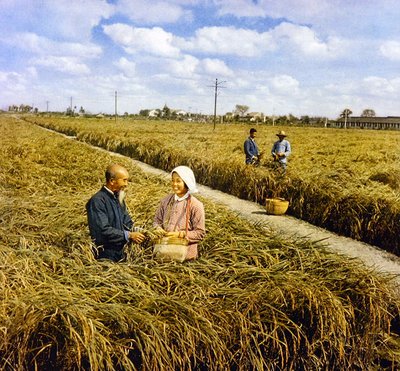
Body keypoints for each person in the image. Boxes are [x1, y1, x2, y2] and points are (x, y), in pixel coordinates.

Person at [86, 164, 145, 262]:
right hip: (105, 254)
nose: (126, 184)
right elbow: (102, 231)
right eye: (124, 180)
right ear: (112, 181)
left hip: (120, 251)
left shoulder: (118, 198)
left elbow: (127, 222)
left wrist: (142, 232)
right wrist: (129, 235)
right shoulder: (97, 201)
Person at [154, 166, 205, 261]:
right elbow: (157, 220)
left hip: (185, 256)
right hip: (164, 253)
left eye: (178, 181)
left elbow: (200, 233)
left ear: (187, 182)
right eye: (172, 180)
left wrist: (179, 234)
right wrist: (158, 228)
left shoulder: (196, 205)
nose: (174, 184)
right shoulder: (165, 201)